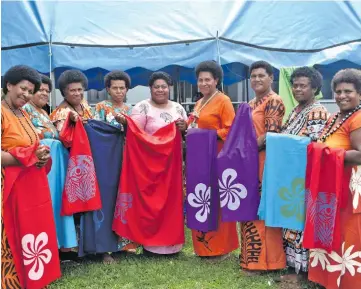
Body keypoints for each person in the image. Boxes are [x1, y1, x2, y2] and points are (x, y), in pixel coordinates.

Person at [118, 71, 187, 255]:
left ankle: (173, 245)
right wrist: (126, 123)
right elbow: (134, 133)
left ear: (169, 88)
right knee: (151, 204)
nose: (160, 90)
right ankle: (150, 245)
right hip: (148, 166)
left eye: (164, 86)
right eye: (156, 86)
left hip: (171, 167)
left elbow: (187, 133)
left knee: (171, 204)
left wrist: (184, 128)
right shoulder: (142, 107)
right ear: (150, 88)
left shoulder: (178, 109)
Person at [308, 69, 361, 289]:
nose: (342, 96)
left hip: (348, 190)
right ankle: (328, 278)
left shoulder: (357, 118)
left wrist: (325, 154)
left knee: (347, 234)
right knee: (329, 232)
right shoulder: (335, 117)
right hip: (330, 187)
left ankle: (348, 282)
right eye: (338, 91)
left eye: (348, 91)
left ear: (359, 93)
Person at [1, 65, 53, 288]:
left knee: (30, 235)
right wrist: (27, 157)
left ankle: (28, 278)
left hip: (27, 187)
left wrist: (39, 156)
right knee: (7, 238)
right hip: (6, 188)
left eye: (30, 91)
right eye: (22, 88)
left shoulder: (22, 113)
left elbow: (31, 146)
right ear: (9, 85)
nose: (26, 95)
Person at [279, 67, 328, 283]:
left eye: (303, 85)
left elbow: (314, 145)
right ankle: (293, 267)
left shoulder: (316, 111)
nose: (297, 89)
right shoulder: (297, 110)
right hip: (292, 176)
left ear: (315, 88)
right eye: (295, 85)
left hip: (304, 176)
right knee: (291, 222)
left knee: (301, 223)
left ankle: (303, 273)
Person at [23, 74, 78, 258]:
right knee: (46, 204)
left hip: (57, 165)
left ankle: (61, 246)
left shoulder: (45, 113)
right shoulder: (24, 110)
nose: (45, 93)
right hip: (42, 165)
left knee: (57, 203)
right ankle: (46, 248)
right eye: (41, 90)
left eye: (48, 90)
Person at [188, 60, 239, 260]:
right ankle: (203, 247)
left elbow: (231, 129)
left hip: (218, 157)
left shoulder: (223, 101)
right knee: (202, 200)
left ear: (216, 80)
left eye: (207, 79)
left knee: (217, 202)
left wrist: (207, 135)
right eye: (200, 80)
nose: (203, 83)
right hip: (200, 158)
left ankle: (221, 248)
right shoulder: (199, 102)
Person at [240, 61, 286, 273]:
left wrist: (244, 149)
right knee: (249, 207)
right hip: (248, 161)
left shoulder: (274, 101)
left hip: (263, 162)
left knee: (262, 210)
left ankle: (268, 262)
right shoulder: (251, 103)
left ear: (271, 78)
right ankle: (250, 259)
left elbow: (271, 135)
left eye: (261, 75)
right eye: (253, 76)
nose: (257, 79)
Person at [23, 74, 59, 139]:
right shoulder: (25, 108)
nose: (45, 93)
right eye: (40, 90)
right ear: (31, 91)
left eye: (47, 91)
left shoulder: (44, 112)